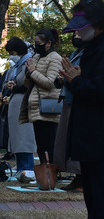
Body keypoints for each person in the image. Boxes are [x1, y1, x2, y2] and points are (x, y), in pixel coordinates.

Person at [59, 0, 104, 219]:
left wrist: (76, 81)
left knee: (102, 197)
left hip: (102, 139)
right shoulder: (93, 50)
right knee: (93, 197)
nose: (76, 34)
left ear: (97, 25)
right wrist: (73, 79)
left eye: (80, 28)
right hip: (91, 138)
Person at [19, 28, 62, 168]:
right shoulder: (37, 57)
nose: (36, 46)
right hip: (35, 106)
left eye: (39, 43)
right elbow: (29, 83)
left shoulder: (55, 58)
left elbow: (50, 83)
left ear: (48, 43)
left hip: (47, 107)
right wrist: (28, 73)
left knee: (48, 144)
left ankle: (51, 175)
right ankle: (44, 175)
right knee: (41, 144)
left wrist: (33, 71)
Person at [53, 35, 85, 191]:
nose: (77, 37)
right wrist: (61, 79)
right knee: (65, 139)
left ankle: (82, 177)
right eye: (75, 34)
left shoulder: (91, 54)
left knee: (77, 139)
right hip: (68, 99)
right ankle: (76, 177)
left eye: (80, 34)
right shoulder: (75, 53)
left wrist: (71, 77)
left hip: (80, 101)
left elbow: (80, 77)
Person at [2, 38, 36, 179]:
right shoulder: (14, 67)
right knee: (16, 137)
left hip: (24, 102)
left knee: (25, 137)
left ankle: (27, 167)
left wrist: (15, 87)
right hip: (14, 103)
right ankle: (21, 166)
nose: (11, 55)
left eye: (13, 52)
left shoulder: (29, 62)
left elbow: (30, 82)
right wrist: (8, 86)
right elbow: (5, 83)